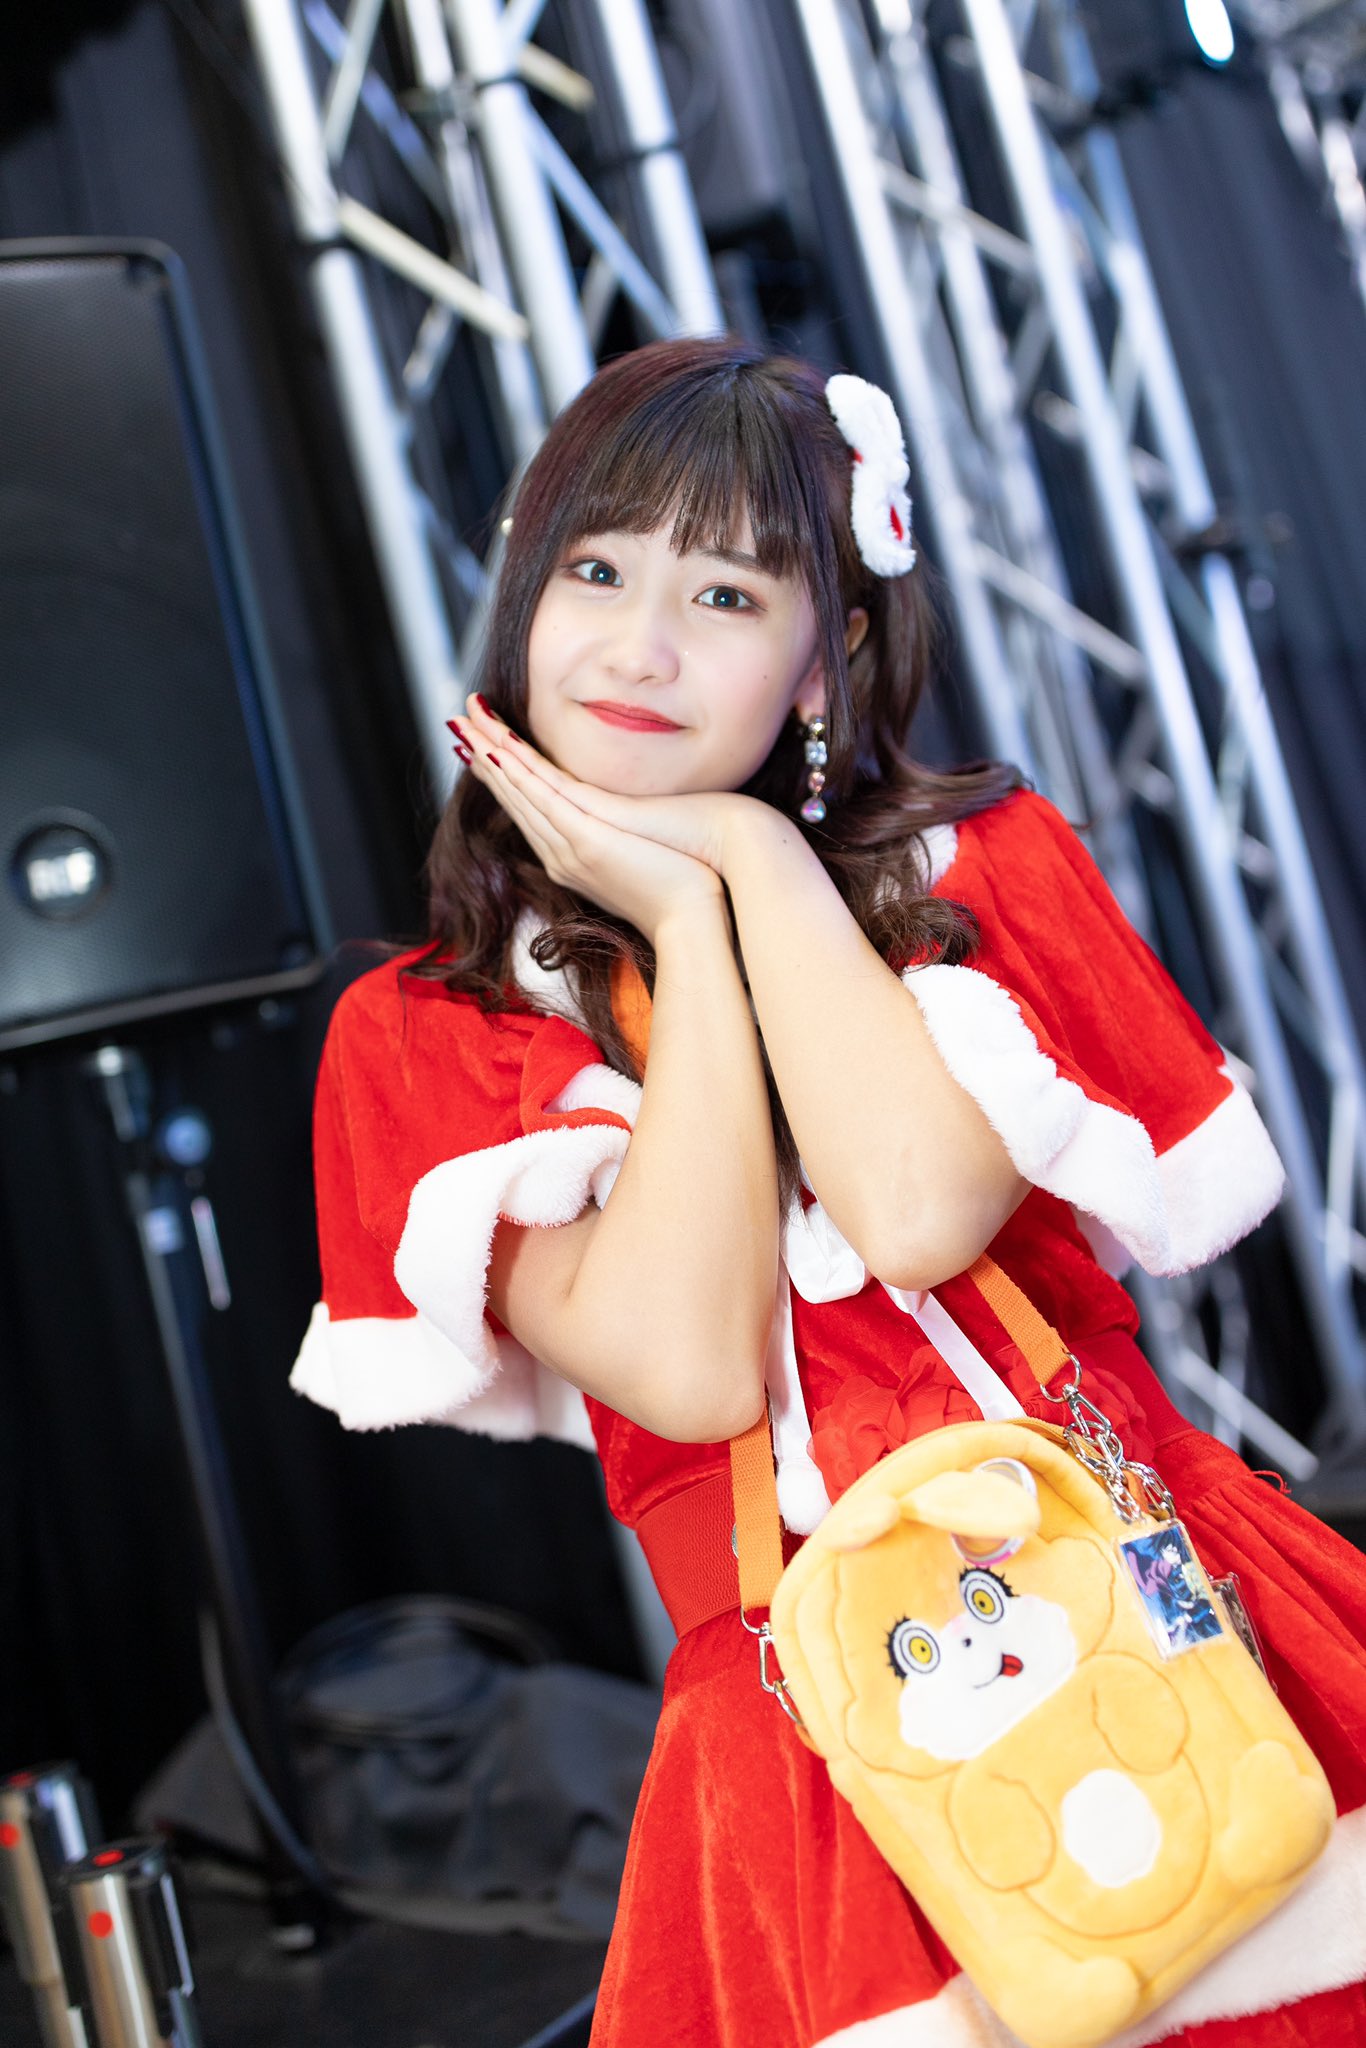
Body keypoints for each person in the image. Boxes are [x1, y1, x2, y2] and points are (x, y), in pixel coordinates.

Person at [292, 337, 1366, 2046]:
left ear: (827, 656)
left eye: (726, 596)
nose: (638, 648)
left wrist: (746, 856)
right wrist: (687, 932)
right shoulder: (434, 1031)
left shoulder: (974, 872)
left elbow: (918, 1216)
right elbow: (688, 1370)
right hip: (810, 1741)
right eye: (595, 571)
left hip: (1150, 1596)